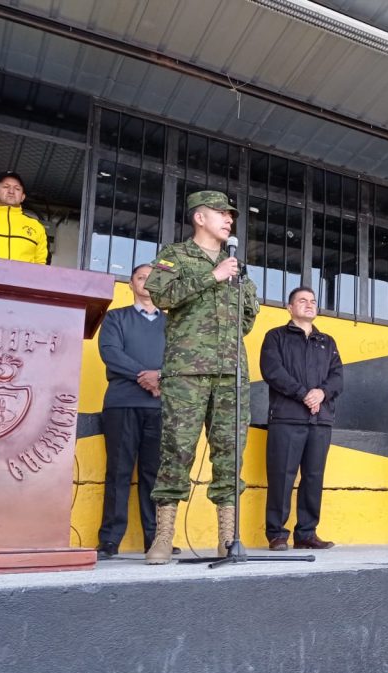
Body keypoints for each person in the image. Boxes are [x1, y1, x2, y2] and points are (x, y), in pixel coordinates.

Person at [143, 190, 260, 564]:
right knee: (176, 448)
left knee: (230, 453)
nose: (229, 220)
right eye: (221, 213)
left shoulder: (236, 265)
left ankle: (228, 537)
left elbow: (248, 315)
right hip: (187, 372)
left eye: (231, 216)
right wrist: (212, 276)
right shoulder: (174, 256)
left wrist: (226, 276)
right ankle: (163, 537)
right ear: (199, 218)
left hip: (231, 372)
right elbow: (159, 294)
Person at [261, 286, 343, 551]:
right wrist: (303, 394)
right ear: (290, 308)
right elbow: (273, 371)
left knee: (313, 477)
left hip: (320, 421)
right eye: (302, 301)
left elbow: (338, 377)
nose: (309, 305)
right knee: (281, 476)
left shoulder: (327, 341)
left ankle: (306, 533)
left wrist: (322, 392)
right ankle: (277, 534)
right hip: (287, 418)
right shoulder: (275, 337)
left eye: (313, 301)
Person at [95, 264, 167, 559]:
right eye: (140, 277)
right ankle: (110, 540)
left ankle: (155, 540)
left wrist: (161, 377)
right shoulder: (116, 317)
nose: (147, 283)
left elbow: (182, 358)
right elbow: (110, 353)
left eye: (153, 279)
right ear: (130, 284)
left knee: (154, 476)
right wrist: (146, 376)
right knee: (119, 472)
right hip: (122, 404)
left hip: (161, 405)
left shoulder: (173, 324)